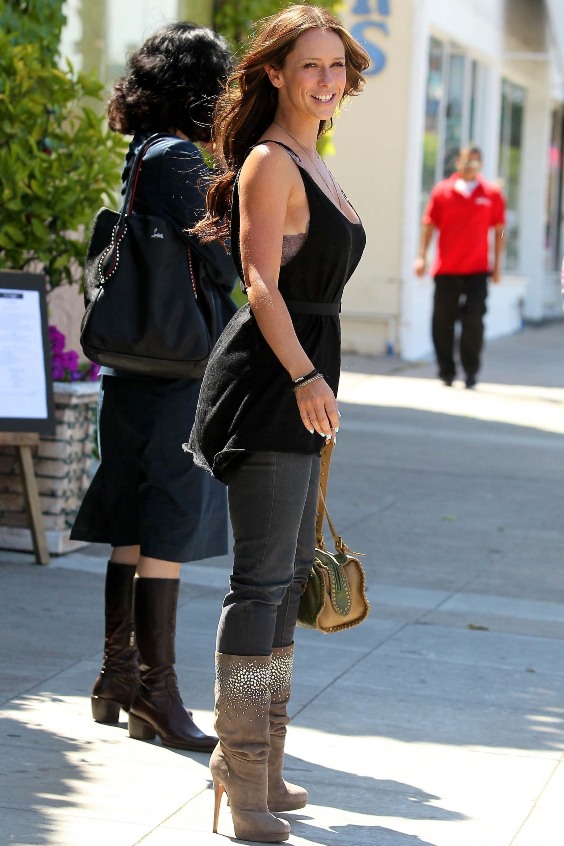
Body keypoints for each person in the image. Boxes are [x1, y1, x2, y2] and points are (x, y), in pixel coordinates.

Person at [186, 5, 369, 842]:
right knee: (259, 584)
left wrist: (321, 379)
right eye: (310, 66)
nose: (326, 80)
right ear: (274, 73)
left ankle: (265, 764)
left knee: (291, 576)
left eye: (337, 67)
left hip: (303, 377)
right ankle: (239, 764)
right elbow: (260, 284)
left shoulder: (316, 159)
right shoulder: (271, 162)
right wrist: (303, 375)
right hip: (269, 383)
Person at [70, 23, 236, 752]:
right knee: (167, 519)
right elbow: (226, 262)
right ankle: (158, 696)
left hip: (134, 365)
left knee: (134, 521)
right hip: (177, 369)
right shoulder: (182, 161)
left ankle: (116, 677)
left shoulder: (142, 153)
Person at [414, 146, 506, 388]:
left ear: (481, 165)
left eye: (475, 163)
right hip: (447, 269)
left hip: (478, 270)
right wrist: (422, 256)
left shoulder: (492, 193)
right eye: (466, 161)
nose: (470, 166)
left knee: (473, 320)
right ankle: (446, 370)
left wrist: (497, 266)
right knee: (442, 322)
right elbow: (429, 224)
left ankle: (471, 371)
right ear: (458, 162)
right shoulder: (442, 191)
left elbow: (499, 230)